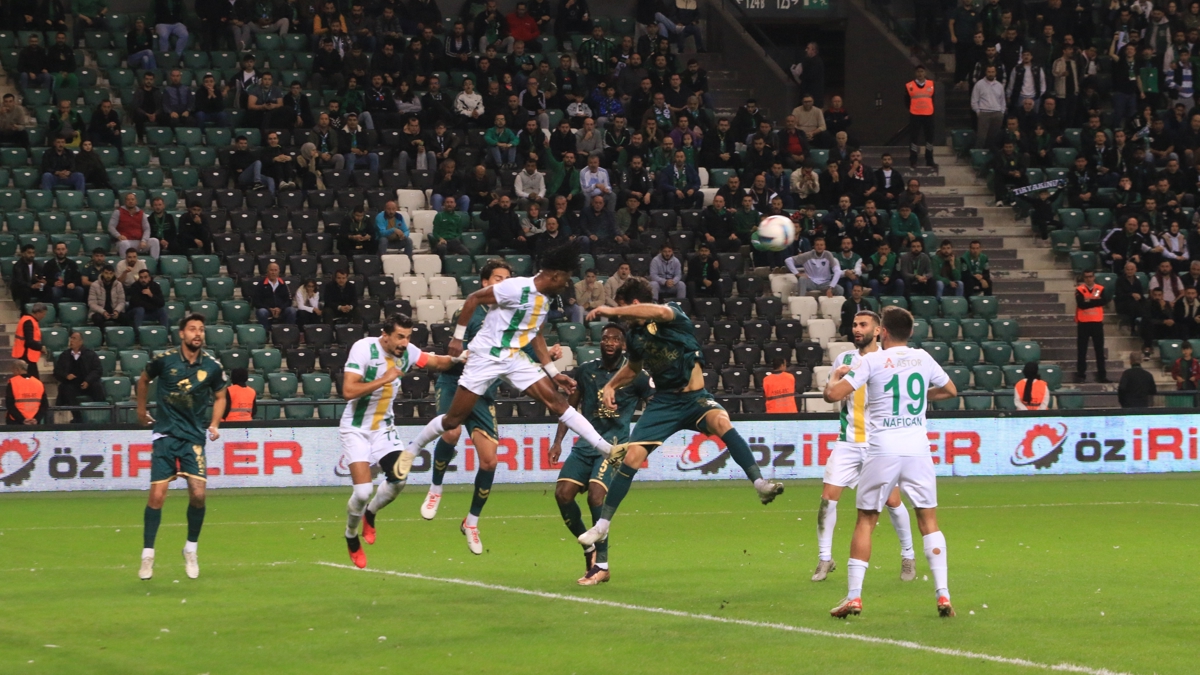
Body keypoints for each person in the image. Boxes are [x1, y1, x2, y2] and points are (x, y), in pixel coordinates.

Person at [400, 243, 619, 553]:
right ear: (554, 275)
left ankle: (606, 448)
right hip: (485, 357)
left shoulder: (545, 299)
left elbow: (536, 336)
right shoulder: (516, 288)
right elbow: (474, 299)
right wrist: (457, 338)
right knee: (452, 421)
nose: (567, 283)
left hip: (514, 358)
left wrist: (553, 372)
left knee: (557, 402)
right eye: (566, 277)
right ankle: (413, 448)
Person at [576, 278, 785, 549]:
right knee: (632, 457)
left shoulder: (671, 313)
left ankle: (759, 483)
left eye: (624, 308)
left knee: (721, 421)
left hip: (695, 399)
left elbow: (658, 311)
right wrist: (611, 385)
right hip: (664, 403)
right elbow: (634, 368)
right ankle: (602, 526)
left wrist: (611, 310)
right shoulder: (635, 336)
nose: (622, 315)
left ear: (635, 304)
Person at [416, 261, 564, 544]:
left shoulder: (516, 311)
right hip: (456, 383)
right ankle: (435, 489)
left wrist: (546, 359)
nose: (503, 283)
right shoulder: (472, 311)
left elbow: (517, 349)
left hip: (484, 392)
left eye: (507, 278)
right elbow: (467, 350)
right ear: (485, 283)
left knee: (490, 460)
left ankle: (471, 522)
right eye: (497, 278)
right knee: (452, 431)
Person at [824, 306, 958, 618]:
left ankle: (854, 597)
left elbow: (833, 395)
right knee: (929, 521)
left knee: (866, 520)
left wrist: (833, 378)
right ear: (910, 333)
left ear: (883, 332)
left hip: (883, 448)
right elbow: (951, 390)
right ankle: (943, 594)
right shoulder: (923, 358)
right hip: (918, 449)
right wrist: (919, 400)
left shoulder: (872, 360)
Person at [337, 315, 463, 567]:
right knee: (362, 492)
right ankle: (351, 535)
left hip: (384, 428)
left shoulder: (408, 352)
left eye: (408, 337)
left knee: (399, 479)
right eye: (400, 337)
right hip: (356, 429)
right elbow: (348, 391)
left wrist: (461, 359)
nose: (405, 343)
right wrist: (384, 378)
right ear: (385, 335)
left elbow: (436, 362)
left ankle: (371, 513)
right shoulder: (363, 348)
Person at [814, 309, 916, 582]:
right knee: (827, 499)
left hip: (878, 443)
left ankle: (908, 555)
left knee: (893, 501)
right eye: (855, 324)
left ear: (878, 330)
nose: (857, 329)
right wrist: (837, 378)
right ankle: (824, 558)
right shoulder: (844, 359)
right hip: (848, 441)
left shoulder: (888, 359)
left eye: (863, 325)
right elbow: (830, 393)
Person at [550, 323, 652, 585]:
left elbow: (654, 405)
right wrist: (558, 441)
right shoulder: (586, 370)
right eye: (606, 338)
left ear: (623, 344)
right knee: (562, 494)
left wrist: (644, 441)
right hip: (585, 445)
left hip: (614, 446)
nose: (609, 342)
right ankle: (589, 548)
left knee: (596, 496)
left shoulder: (637, 374)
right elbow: (568, 409)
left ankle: (601, 565)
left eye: (615, 339)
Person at [135, 314, 226, 581]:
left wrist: (215, 423)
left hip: (193, 437)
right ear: (182, 334)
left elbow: (221, 395)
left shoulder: (212, 366)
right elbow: (143, 380)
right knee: (157, 496)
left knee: (198, 495)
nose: (198, 333)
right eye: (192, 329)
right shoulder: (164, 360)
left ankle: (190, 549)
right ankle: (147, 555)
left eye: (201, 329)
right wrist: (140, 410)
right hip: (165, 435)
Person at [53, 331, 103, 422]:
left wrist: (88, 381)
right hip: (72, 384)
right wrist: (66, 375)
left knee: (97, 387)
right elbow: (57, 371)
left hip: (88, 383)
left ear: (81, 341)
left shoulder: (90, 354)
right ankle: (77, 417)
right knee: (66, 389)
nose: (71, 341)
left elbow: (97, 370)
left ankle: (101, 415)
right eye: (71, 338)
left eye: (74, 338)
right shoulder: (64, 355)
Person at [1076, 269, 1108, 383]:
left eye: (1090, 276)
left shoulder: (1100, 289)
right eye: (1086, 277)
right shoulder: (1080, 289)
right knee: (1082, 351)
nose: (1089, 279)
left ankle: (1102, 376)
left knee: (1099, 351)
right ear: (1084, 278)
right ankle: (1081, 375)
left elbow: (1103, 301)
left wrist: (1088, 300)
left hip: (1097, 322)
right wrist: (1095, 301)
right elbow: (1081, 304)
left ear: (1094, 277)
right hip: (1083, 322)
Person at [108, 192, 158, 259]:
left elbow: (147, 229)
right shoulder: (118, 212)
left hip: (139, 242)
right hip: (124, 241)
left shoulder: (141, 213)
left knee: (154, 241)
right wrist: (118, 236)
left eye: (132, 199)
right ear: (125, 202)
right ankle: (125, 263)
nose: (130, 201)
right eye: (128, 200)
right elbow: (111, 227)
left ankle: (154, 262)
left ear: (136, 201)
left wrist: (144, 240)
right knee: (124, 244)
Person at [905, 65, 936, 169]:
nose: (920, 73)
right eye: (918, 71)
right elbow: (906, 101)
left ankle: (929, 160)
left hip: (928, 114)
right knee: (914, 139)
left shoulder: (931, 84)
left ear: (925, 73)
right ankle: (913, 160)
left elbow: (933, 98)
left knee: (929, 139)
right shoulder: (909, 85)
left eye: (922, 71)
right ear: (915, 73)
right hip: (915, 114)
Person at [253, 263, 295, 333]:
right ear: (267, 271)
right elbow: (256, 301)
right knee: (262, 312)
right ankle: (265, 333)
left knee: (291, 311)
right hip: (267, 310)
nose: (273, 272)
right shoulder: (261, 284)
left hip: (281, 309)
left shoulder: (283, 284)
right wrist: (269, 308)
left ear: (278, 271)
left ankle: (289, 332)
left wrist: (280, 308)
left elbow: (288, 300)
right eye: (271, 270)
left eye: (275, 270)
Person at [7, 360, 47, 426]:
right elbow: (44, 405)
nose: (12, 373)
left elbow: (9, 404)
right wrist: (36, 419)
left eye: (13, 370)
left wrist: (22, 420)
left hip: (16, 422)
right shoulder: (38, 383)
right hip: (34, 422)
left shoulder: (12, 382)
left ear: (17, 369)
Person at [13, 303, 47, 379]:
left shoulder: (29, 320)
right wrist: (40, 347)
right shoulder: (29, 322)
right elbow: (29, 341)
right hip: (26, 356)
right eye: (44, 314)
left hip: (27, 355)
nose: (44, 316)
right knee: (32, 380)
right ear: (38, 313)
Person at [88, 265, 125, 332]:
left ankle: (121, 336)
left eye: (111, 273)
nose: (108, 276)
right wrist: (103, 312)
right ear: (102, 273)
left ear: (114, 274)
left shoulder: (119, 285)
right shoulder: (94, 285)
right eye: (106, 273)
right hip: (100, 312)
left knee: (125, 317)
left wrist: (116, 311)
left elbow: (121, 302)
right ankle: (102, 337)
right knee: (97, 318)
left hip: (114, 312)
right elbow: (92, 303)